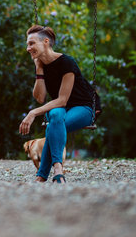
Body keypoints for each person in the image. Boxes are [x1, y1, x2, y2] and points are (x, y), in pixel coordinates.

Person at [19, 25, 99, 183]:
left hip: (84, 107)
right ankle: (57, 171)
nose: (28, 48)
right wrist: (39, 70)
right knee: (55, 116)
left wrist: (33, 113)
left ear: (46, 42)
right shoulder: (41, 64)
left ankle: (43, 175)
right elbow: (40, 98)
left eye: (32, 43)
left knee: (53, 125)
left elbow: (62, 99)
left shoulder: (67, 63)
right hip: (59, 108)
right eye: (28, 44)